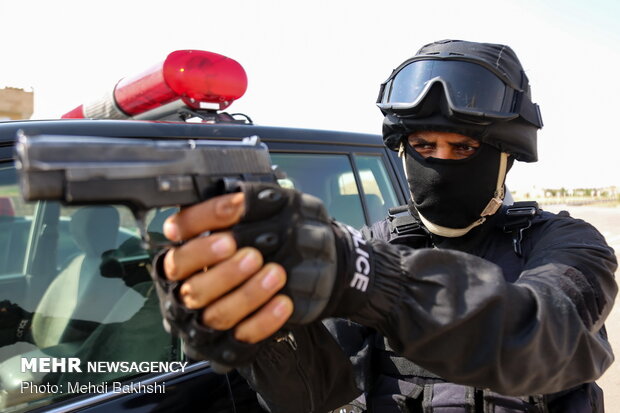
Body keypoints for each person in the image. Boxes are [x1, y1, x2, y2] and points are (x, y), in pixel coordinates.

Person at [153, 40, 618, 412]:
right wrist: (260, 320)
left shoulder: (565, 244)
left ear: (505, 157)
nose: (440, 161)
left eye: (463, 149)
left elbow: (544, 335)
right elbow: (311, 397)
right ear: (401, 148)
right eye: (424, 145)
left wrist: (374, 280)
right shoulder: (375, 243)